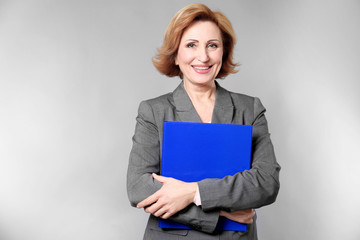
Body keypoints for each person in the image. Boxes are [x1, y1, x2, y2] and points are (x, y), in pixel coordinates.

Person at [127, 3, 280, 239]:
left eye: (212, 45)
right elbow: (139, 188)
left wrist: (193, 193)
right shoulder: (153, 111)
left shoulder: (249, 109)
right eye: (191, 45)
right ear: (176, 55)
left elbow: (266, 182)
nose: (203, 56)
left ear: (223, 52)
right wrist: (219, 213)